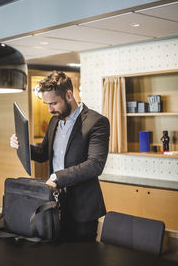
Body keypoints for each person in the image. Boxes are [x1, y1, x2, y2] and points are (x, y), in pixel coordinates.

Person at [10, 71, 110, 242]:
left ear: (69, 95)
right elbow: (43, 154)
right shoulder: (55, 120)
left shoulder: (96, 122)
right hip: (55, 204)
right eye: (47, 104)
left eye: (54, 103)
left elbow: (95, 164)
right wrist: (24, 146)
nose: (50, 109)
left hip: (83, 208)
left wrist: (58, 177)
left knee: (82, 256)